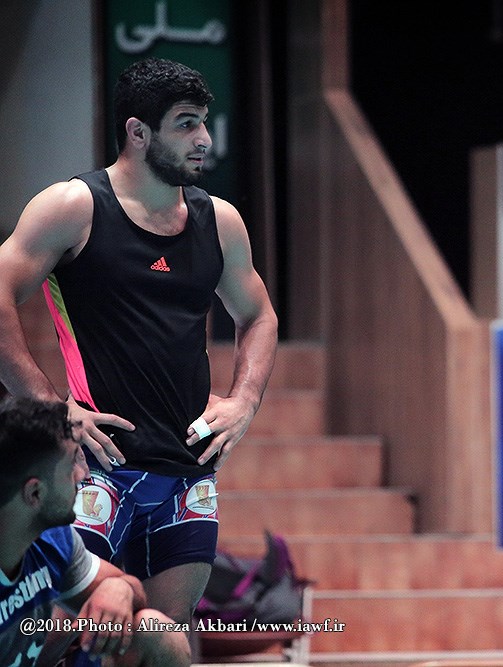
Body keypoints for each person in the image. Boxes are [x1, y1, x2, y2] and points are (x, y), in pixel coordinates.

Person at [0, 57, 278, 630]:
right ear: (138, 132)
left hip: (187, 470)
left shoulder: (219, 220)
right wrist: (48, 406)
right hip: (95, 466)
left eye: (204, 122)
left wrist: (245, 400)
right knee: (69, 633)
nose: (204, 139)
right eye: (186, 124)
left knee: (163, 638)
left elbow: (258, 315)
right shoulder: (73, 208)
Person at [0, 397, 190, 666]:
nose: (82, 475)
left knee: (153, 629)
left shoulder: (55, 540)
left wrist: (118, 588)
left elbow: (132, 589)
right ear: (35, 493)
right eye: (70, 467)